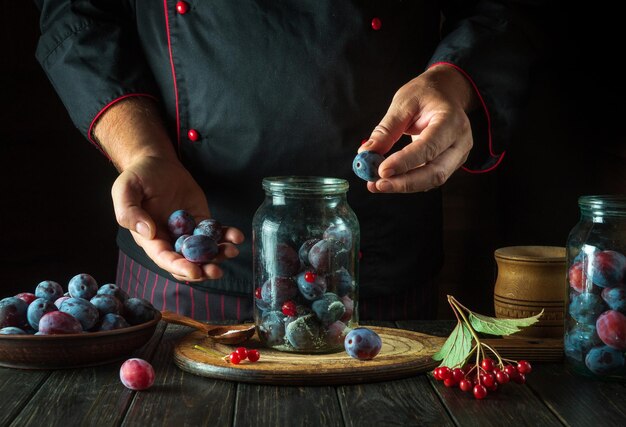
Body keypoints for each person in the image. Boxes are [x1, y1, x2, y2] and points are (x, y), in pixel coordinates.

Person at [34, 1, 543, 321]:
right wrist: (142, 150)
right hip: (185, 268)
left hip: (375, 263)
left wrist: (450, 83)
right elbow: (78, 14)